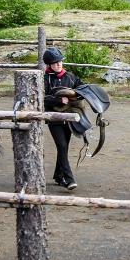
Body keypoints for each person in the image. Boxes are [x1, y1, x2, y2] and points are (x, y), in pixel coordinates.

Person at [42, 47, 80, 191]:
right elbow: (41, 97)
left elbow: (81, 87)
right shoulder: (45, 79)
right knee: (62, 146)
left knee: (64, 148)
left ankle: (58, 175)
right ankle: (68, 179)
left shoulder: (70, 76)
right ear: (49, 65)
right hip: (54, 119)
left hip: (69, 118)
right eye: (55, 63)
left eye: (60, 62)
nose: (59, 64)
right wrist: (57, 100)